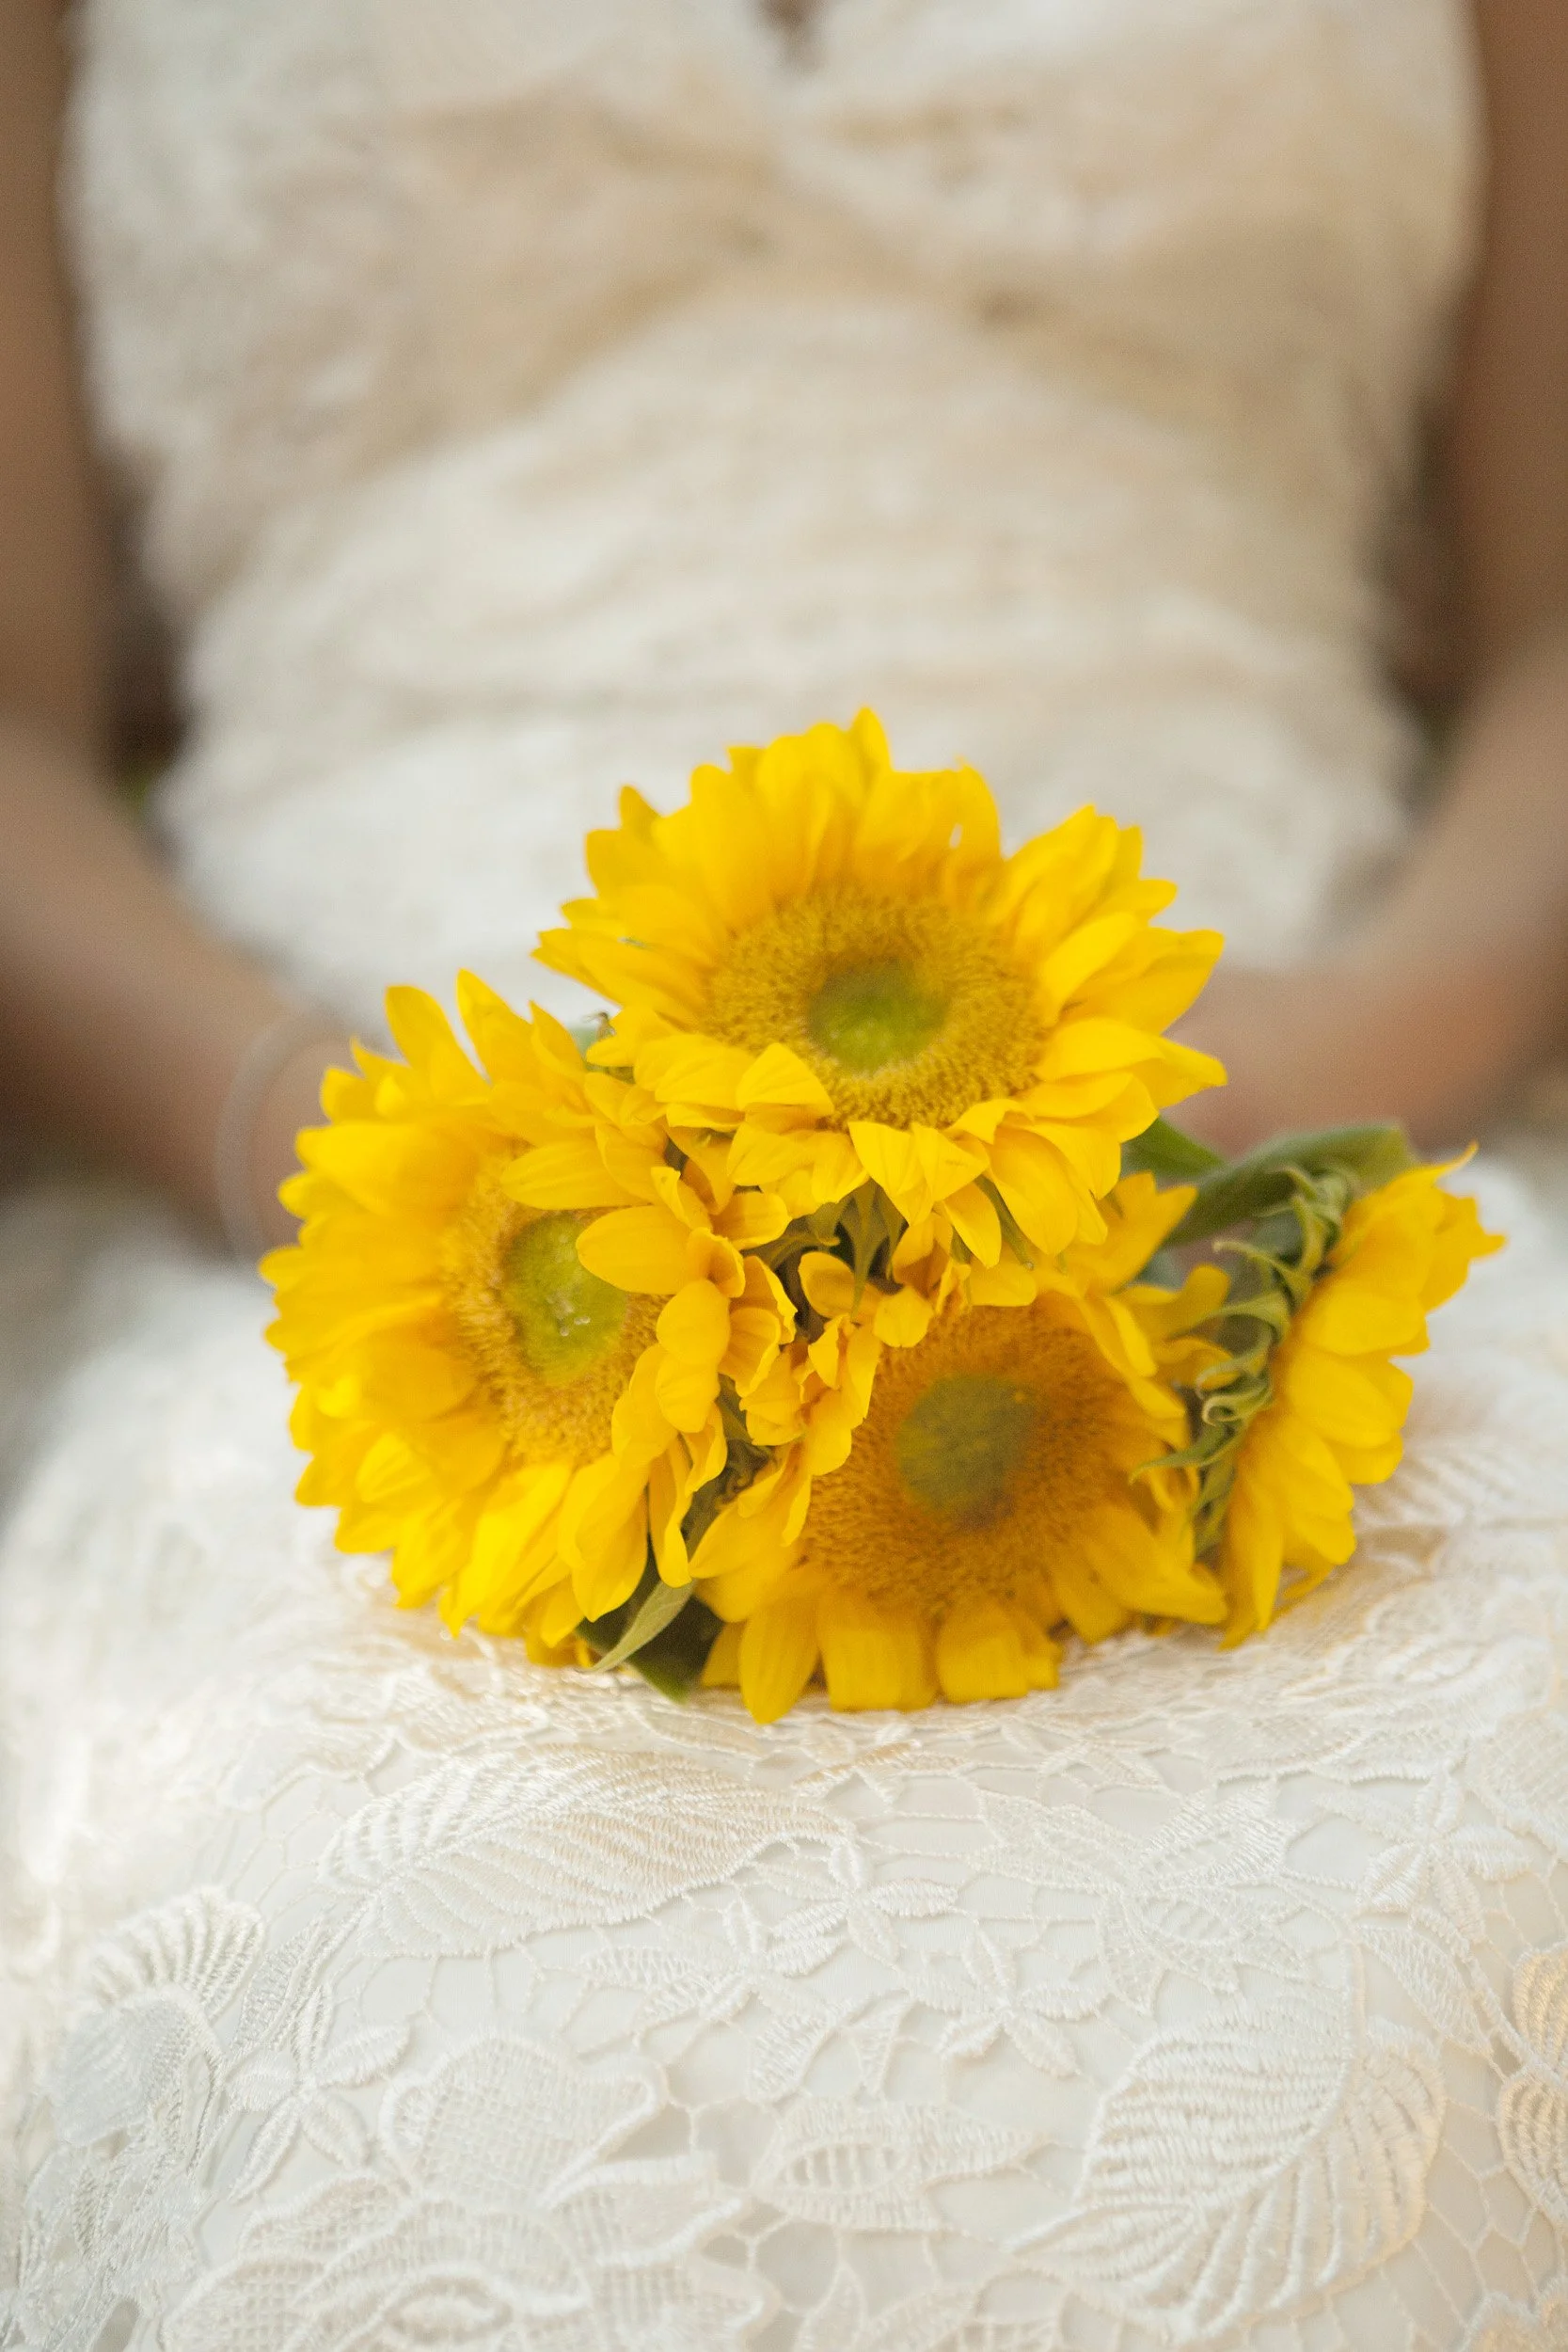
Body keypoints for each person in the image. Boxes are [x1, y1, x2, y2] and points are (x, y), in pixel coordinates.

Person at [1, 4, 1566, 2346]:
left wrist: (1337, 1059)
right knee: (364, 1980)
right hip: (352, 1203)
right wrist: (336, 1137)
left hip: (1278, 1130)